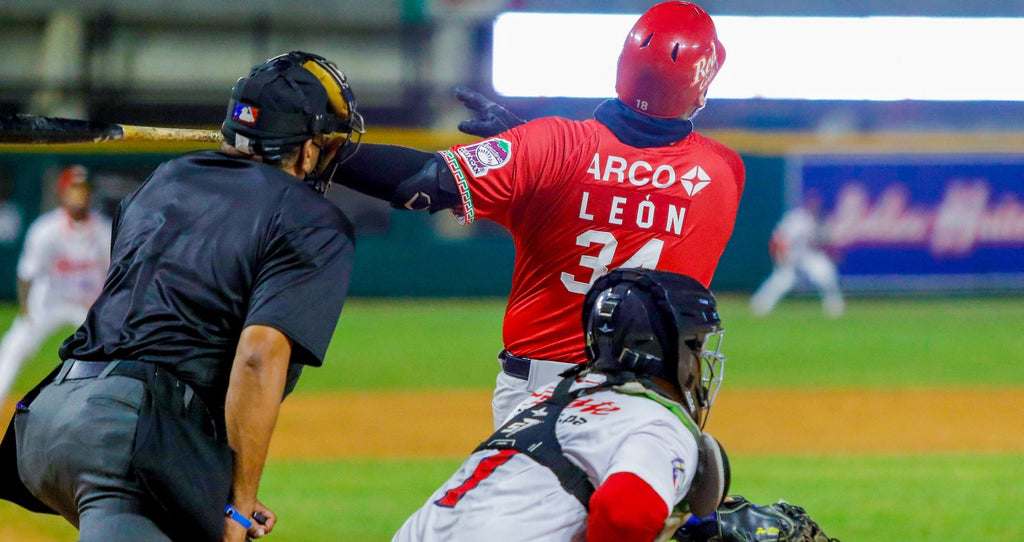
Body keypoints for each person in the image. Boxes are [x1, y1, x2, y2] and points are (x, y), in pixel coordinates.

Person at [0, 51, 362, 542]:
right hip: (126, 441)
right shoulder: (309, 218)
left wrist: (197, 481)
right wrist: (237, 503)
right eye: (325, 142)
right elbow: (257, 357)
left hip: (48, 418)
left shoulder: (163, 180)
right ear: (305, 150)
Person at [334, 1, 745, 427]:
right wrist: (528, 143)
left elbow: (423, 182)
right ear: (699, 88)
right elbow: (628, 182)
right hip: (649, 395)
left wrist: (324, 149)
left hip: (538, 396)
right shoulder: (724, 172)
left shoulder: (551, 146)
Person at [392, 268, 730, 542]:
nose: (701, 358)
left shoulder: (547, 395)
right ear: (673, 352)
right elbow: (624, 514)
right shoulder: (658, 421)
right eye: (696, 345)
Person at [0, 165, 111, 408]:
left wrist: (105, 308)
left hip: (86, 303)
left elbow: (115, 272)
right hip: (50, 301)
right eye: (74, 189)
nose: (80, 195)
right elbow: (26, 275)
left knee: (113, 347)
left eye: (84, 190)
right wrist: (26, 311)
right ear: (62, 193)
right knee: (15, 344)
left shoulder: (103, 230)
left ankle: (107, 405)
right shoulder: (46, 229)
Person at [749, 193, 844, 318]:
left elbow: (819, 242)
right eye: (812, 204)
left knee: (825, 272)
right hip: (790, 254)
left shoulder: (816, 219)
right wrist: (780, 257)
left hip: (805, 254)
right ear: (806, 204)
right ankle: (760, 305)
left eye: (816, 205)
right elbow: (779, 239)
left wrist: (830, 253)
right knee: (783, 280)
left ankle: (834, 307)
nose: (815, 207)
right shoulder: (796, 219)